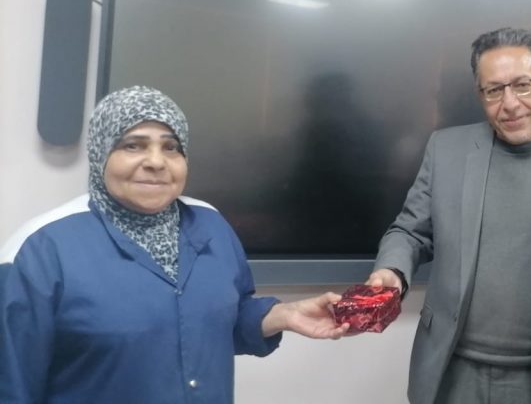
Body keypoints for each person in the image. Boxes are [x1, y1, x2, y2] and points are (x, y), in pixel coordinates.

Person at [0, 86, 349, 403]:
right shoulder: (38, 251)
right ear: (100, 153)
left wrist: (284, 315)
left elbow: (221, 320)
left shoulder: (210, 224)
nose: (156, 162)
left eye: (171, 147)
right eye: (133, 145)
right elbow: (11, 383)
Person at [366, 27, 531, 404]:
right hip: (452, 370)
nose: (510, 103)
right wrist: (391, 271)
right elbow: (409, 231)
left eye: (522, 85)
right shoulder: (446, 149)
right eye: (494, 90)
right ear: (481, 95)